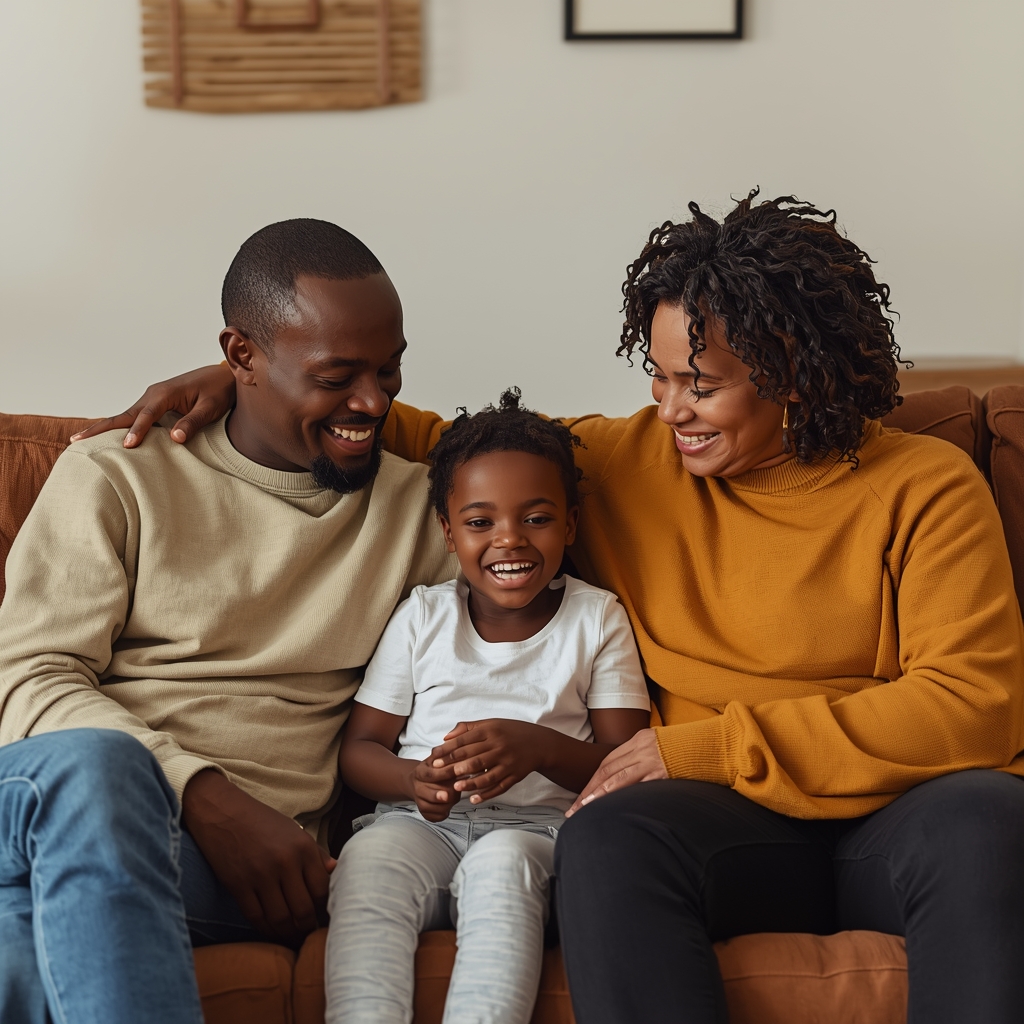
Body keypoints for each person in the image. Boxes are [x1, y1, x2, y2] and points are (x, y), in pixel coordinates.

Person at [87, 190, 1024, 1024]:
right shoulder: (625, 463)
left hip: (889, 820)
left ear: (797, 371)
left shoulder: (924, 486)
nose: (670, 411)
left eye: (700, 385)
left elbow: (972, 703)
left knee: (988, 815)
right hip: (718, 827)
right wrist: (243, 386)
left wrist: (698, 745)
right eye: (656, 377)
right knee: (610, 837)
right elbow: (453, 446)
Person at [0, 218, 456, 1023]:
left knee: (15, 933)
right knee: (100, 772)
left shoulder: (426, 515)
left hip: (232, 875)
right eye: (338, 375)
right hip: (81, 795)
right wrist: (206, 793)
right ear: (240, 357)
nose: (374, 402)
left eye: (390, 371)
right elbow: (27, 680)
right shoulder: (116, 474)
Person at [327, 390, 650, 1024]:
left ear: (571, 525)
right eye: (480, 522)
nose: (509, 540)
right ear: (449, 533)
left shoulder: (596, 619)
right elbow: (359, 750)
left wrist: (538, 747)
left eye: (536, 518)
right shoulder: (423, 615)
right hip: (421, 827)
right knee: (369, 862)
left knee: (503, 865)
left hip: (539, 835)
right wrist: (411, 779)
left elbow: (628, 766)